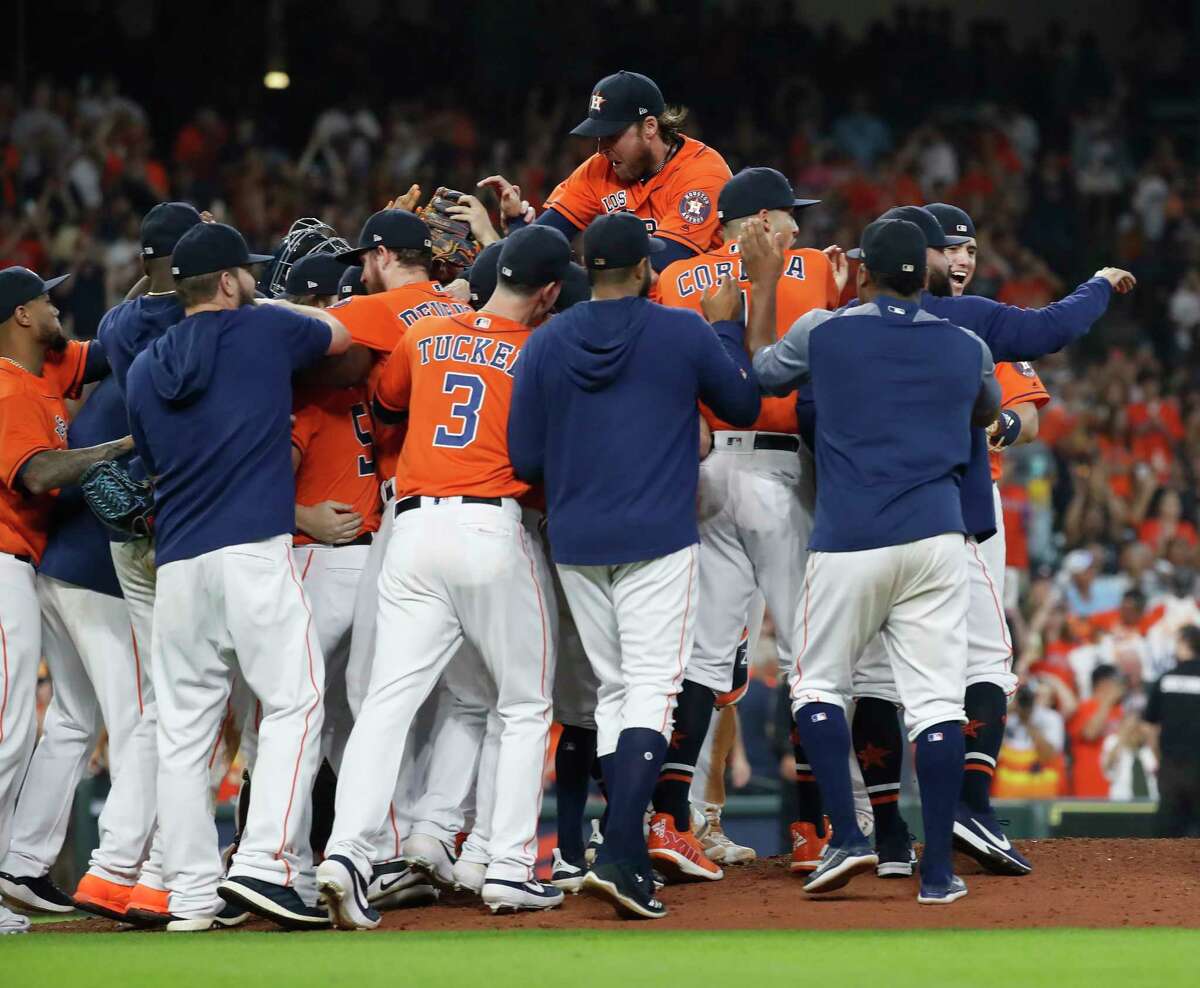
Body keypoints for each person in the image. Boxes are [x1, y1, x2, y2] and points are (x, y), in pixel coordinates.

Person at [317, 225, 573, 927]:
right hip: (492, 525)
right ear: (549, 292)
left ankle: (346, 854)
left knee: (388, 703)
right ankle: (512, 869)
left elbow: (390, 403)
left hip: (412, 527)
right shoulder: (542, 350)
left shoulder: (428, 334)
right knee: (522, 704)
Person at [508, 211, 760, 918]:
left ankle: (615, 849)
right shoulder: (680, 331)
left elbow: (526, 458)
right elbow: (742, 400)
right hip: (656, 533)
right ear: (647, 269)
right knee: (651, 686)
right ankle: (622, 852)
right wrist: (724, 329)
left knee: (615, 691)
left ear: (588, 271)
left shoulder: (546, 341)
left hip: (578, 539)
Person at [743, 217, 1000, 905]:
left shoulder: (826, 332)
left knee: (820, 686)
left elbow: (761, 370)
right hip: (937, 538)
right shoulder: (965, 343)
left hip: (850, 534)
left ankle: (851, 837)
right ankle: (940, 874)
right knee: (938, 704)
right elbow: (986, 411)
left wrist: (763, 289)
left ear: (863, 272)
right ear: (928, 271)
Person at [124, 222, 351, 932]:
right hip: (252, 549)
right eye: (245, 274)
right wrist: (280, 309)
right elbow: (338, 337)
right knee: (296, 701)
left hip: (179, 564)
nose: (254, 280)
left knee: (185, 732)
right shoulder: (260, 332)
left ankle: (190, 896)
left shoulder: (141, 368)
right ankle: (268, 865)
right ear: (226, 283)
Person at [651, 167, 838, 871]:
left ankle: (669, 819)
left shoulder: (675, 283)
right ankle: (813, 830)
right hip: (782, 467)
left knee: (702, 656)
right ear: (762, 219)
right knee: (806, 654)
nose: (800, 227)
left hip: (704, 473)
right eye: (790, 214)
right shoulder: (816, 265)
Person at [74, 201, 203, 923]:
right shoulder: (203, 320)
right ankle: (156, 871)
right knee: (200, 702)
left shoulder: (124, 324)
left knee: (166, 701)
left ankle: (115, 865)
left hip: (133, 523)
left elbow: (141, 300)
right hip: (186, 518)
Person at [0, 266, 133, 935]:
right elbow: (39, 472)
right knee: (6, 730)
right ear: (22, 315)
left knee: (59, 721)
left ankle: (17, 869)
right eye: (45, 300)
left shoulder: (46, 369)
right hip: (0, 565)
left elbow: (119, 340)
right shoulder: (3, 384)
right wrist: (126, 446)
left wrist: (158, 265)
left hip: (29, 568)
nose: (57, 307)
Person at [481, 71, 731, 270]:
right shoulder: (600, 169)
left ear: (650, 127)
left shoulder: (702, 172)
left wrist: (580, 270)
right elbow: (542, 240)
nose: (601, 149)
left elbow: (667, 262)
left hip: (699, 309)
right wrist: (516, 228)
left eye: (611, 135)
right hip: (626, 302)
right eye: (598, 137)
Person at [1143, 626, 1200, 835]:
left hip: (1172, 767)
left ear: (1184, 643)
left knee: (1168, 835)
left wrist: (1160, 757)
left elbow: (1149, 725)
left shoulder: (1166, 680)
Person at [1066, 664, 1126, 797]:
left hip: (1115, 786)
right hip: (1089, 785)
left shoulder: (1119, 710)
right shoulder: (1084, 707)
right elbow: (1090, 734)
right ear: (1103, 684)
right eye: (1117, 682)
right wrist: (1107, 701)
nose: (1121, 687)